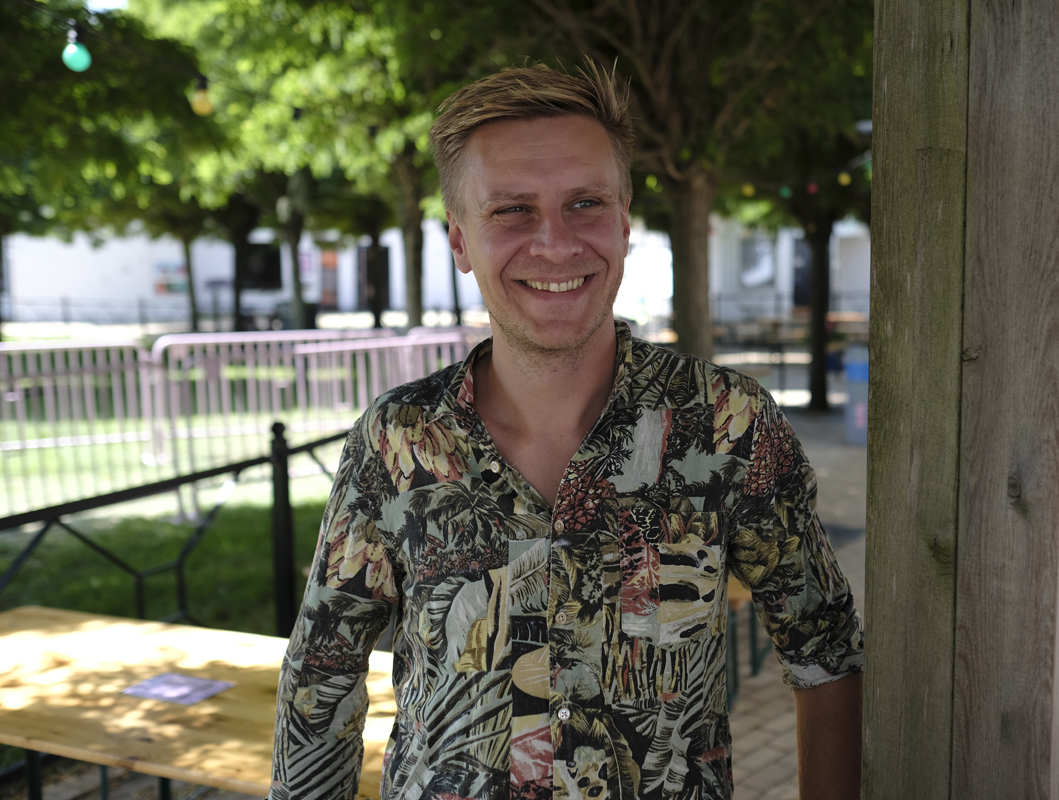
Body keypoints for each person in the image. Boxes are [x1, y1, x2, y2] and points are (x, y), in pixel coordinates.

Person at [270, 61, 864, 800]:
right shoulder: (397, 441)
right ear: (460, 241)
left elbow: (825, 654)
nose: (554, 243)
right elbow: (320, 681)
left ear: (624, 221)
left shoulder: (727, 425)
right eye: (511, 210)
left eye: (584, 203)